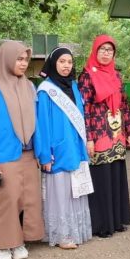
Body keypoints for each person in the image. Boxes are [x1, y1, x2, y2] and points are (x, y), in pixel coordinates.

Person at [0, 41, 44, 259]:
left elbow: (37, 122)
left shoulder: (30, 87)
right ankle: (2, 244)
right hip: (3, 155)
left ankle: (20, 240)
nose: (23, 64)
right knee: (7, 198)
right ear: (5, 59)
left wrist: (41, 154)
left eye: (26, 59)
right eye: (19, 59)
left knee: (27, 198)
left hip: (28, 152)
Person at [78, 35, 130, 238]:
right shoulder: (86, 76)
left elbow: (124, 105)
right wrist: (89, 137)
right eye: (102, 49)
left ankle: (117, 220)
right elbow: (84, 109)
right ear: (95, 51)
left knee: (116, 175)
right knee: (101, 177)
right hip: (98, 131)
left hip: (117, 133)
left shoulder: (116, 76)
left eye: (109, 50)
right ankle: (102, 224)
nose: (105, 53)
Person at [35, 47, 92, 248]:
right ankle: (61, 235)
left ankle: (77, 231)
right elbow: (41, 124)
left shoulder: (74, 86)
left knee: (75, 190)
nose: (66, 66)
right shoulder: (45, 91)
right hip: (56, 150)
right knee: (60, 193)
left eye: (69, 62)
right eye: (62, 62)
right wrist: (44, 154)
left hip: (76, 147)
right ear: (53, 63)